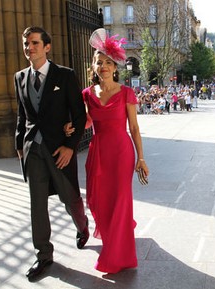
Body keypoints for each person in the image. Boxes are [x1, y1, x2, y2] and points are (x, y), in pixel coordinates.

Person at [66, 28, 149, 273]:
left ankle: (115, 255)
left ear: (115, 67)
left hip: (122, 153)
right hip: (98, 152)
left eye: (108, 62)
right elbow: (89, 122)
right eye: (98, 62)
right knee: (98, 202)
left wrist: (141, 158)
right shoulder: (87, 94)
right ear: (93, 67)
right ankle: (115, 237)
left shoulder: (126, 93)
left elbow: (133, 127)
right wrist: (74, 126)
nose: (103, 66)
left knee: (121, 201)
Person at [14, 26, 89, 281]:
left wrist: (70, 146)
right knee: (38, 204)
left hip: (60, 151)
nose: (29, 47)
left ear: (47, 46)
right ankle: (44, 255)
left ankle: (82, 225)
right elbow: (22, 115)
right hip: (33, 150)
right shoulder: (20, 77)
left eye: (34, 43)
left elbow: (79, 115)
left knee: (70, 199)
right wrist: (19, 145)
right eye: (26, 43)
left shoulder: (65, 76)